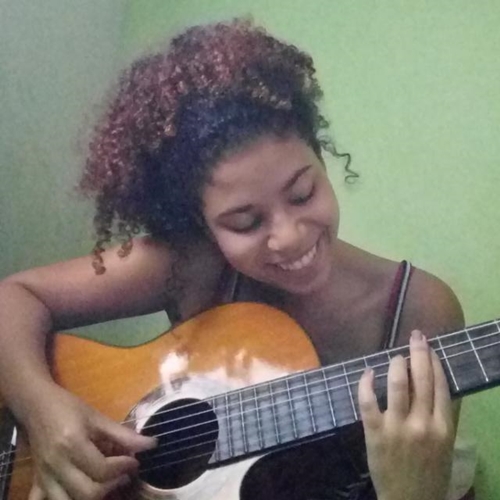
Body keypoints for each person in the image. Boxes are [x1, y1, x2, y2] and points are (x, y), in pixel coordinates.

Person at [0, 19, 475, 500]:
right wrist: (42, 410)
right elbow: (14, 297)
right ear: (200, 222)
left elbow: (420, 477)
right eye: (245, 223)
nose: (288, 237)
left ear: (320, 156)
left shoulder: (420, 311)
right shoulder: (192, 265)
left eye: (302, 193)